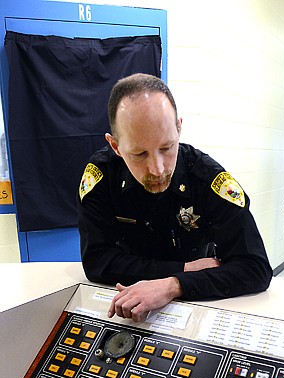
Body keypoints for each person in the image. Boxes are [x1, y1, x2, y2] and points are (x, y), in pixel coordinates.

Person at [78, 73, 272, 321]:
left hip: (195, 307)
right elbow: (97, 261)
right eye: (139, 154)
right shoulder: (101, 177)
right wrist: (182, 269)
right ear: (115, 146)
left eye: (167, 148)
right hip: (126, 305)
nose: (158, 169)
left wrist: (174, 284)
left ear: (179, 128)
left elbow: (255, 269)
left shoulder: (207, 179)